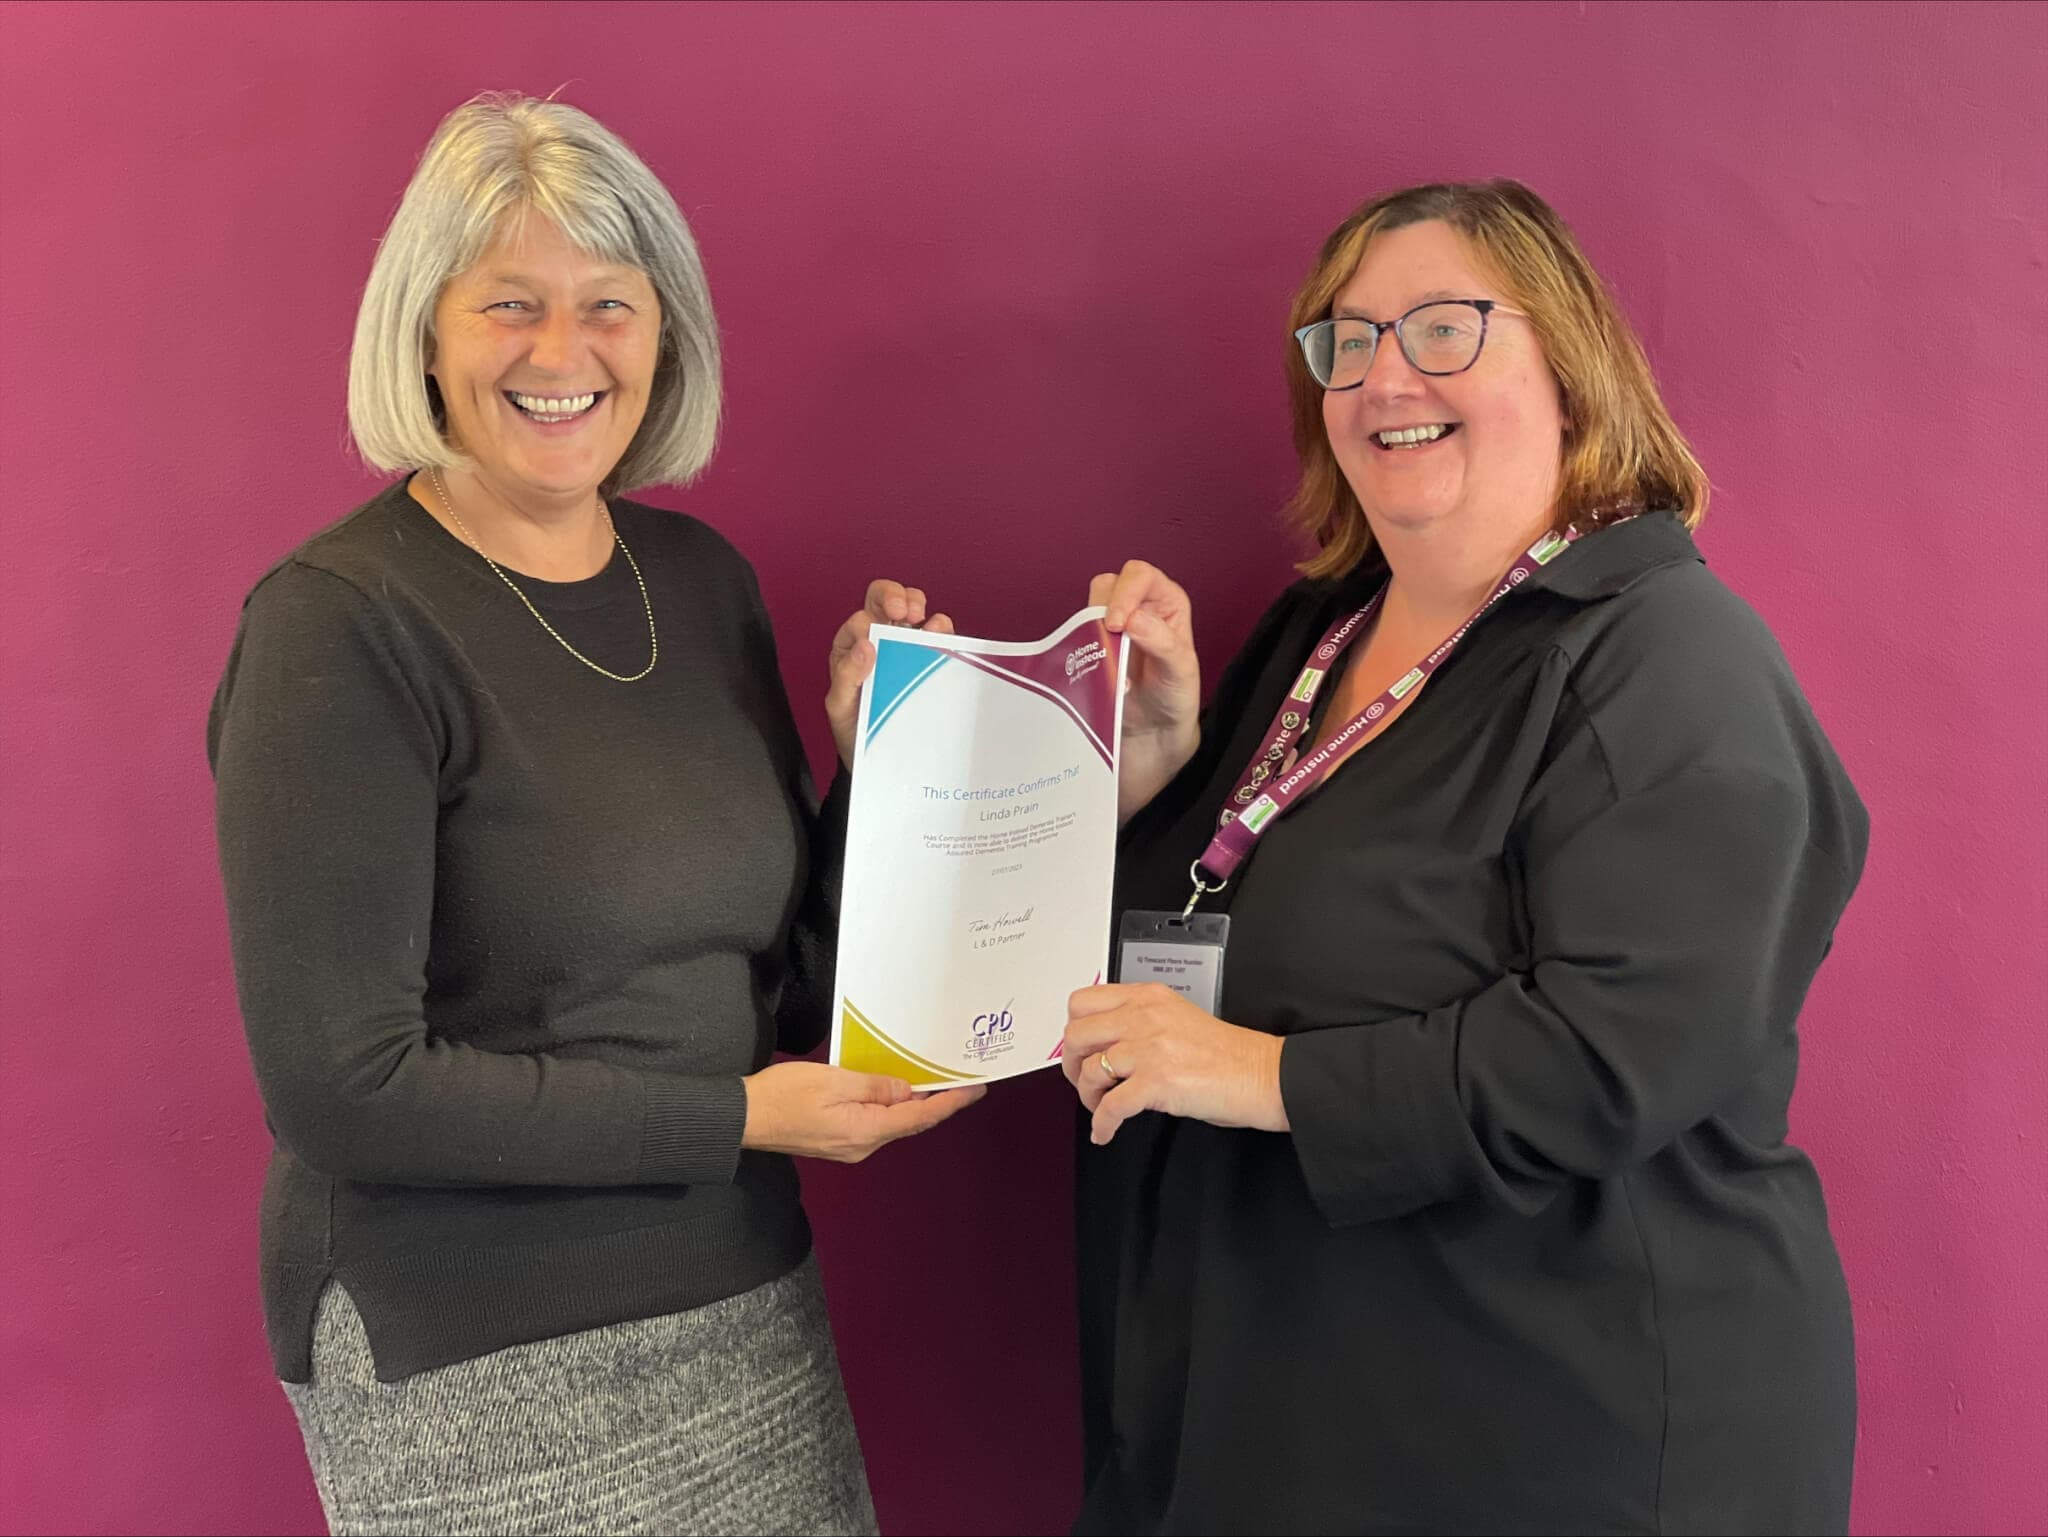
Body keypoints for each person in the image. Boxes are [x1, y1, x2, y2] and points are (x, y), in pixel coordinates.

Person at [209, 94, 978, 1536]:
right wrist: (741, 1114)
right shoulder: (339, 627)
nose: (562, 355)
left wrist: (877, 757)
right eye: (511, 303)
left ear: (663, 333)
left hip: (742, 1296)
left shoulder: (701, 583)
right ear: (424, 331)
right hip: (472, 1345)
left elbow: (781, 984)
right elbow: (342, 1085)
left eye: (608, 307)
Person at [1060, 180, 1868, 1534]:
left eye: (1443, 329)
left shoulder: (1669, 657)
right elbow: (1209, 941)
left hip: (1559, 1441)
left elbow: (1615, 1056)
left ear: (1569, 365)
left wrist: (1263, 1075)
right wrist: (1152, 777)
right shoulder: (1317, 635)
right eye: (1347, 340)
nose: (1385, 377)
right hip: (1288, 1409)